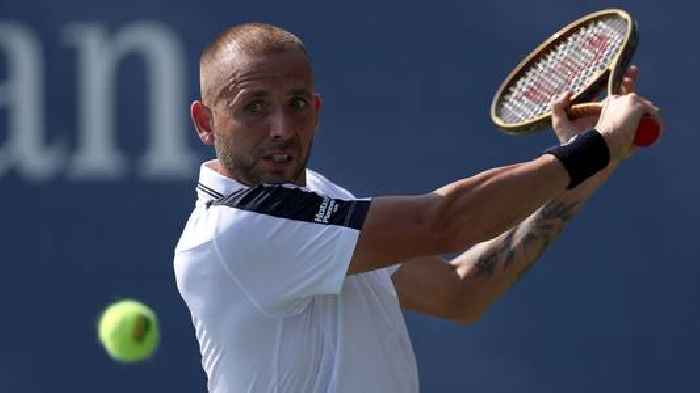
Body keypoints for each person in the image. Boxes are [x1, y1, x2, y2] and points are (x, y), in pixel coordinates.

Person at [173, 22, 661, 393]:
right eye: (254, 107)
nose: (281, 127)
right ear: (205, 122)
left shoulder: (316, 199)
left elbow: (461, 290)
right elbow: (442, 222)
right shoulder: (234, 231)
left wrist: (594, 162)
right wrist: (593, 147)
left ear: (316, 111)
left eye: (296, 103)